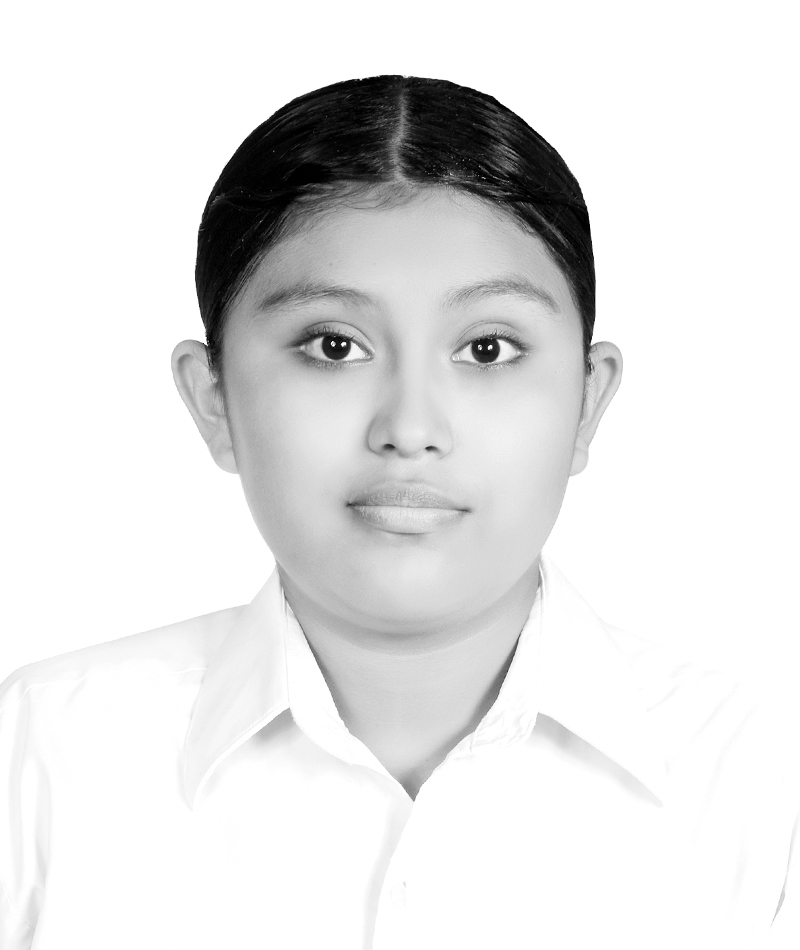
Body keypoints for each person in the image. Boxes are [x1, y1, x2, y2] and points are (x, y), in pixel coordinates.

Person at [0, 75, 797, 950]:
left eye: (487, 349)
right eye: (333, 346)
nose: (410, 428)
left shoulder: (762, 780)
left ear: (587, 401)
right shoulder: (36, 759)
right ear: (214, 398)